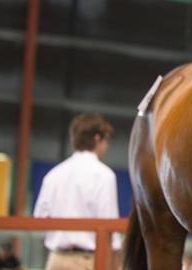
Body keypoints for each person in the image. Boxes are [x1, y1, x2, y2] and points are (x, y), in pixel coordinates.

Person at [34, 112, 121, 270]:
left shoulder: (54, 174)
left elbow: (39, 220)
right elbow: (108, 223)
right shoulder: (103, 175)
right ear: (97, 138)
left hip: (56, 259)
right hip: (88, 261)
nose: (106, 146)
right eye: (106, 140)